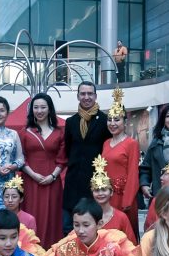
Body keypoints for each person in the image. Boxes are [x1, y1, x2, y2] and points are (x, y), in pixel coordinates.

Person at [18, 92, 66, 247]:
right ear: (31, 110)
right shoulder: (25, 132)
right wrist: (33, 175)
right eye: (36, 107)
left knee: (52, 216)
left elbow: (63, 158)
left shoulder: (59, 132)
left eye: (43, 107)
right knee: (32, 214)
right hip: (30, 180)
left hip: (53, 180)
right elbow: (21, 158)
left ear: (49, 109)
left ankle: (51, 254)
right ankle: (31, 250)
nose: (39, 111)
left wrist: (53, 176)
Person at [63, 81, 111, 233]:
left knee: (93, 225)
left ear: (95, 96)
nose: (86, 97)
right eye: (83, 94)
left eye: (90, 93)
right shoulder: (71, 122)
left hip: (95, 182)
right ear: (78, 96)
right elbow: (68, 149)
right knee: (69, 226)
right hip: (74, 181)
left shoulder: (105, 121)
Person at [101, 87, 140, 238]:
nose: (112, 123)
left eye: (116, 119)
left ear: (125, 121)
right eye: (109, 119)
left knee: (124, 235)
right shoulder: (105, 143)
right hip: (106, 196)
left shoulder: (131, 143)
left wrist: (128, 200)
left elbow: (132, 173)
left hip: (123, 196)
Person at [90, 157, 137, 244]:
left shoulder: (121, 217)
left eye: (104, 189)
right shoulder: (87, 216)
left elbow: (131, 245)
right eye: (96, 190)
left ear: (111, 192)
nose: (100, 193)